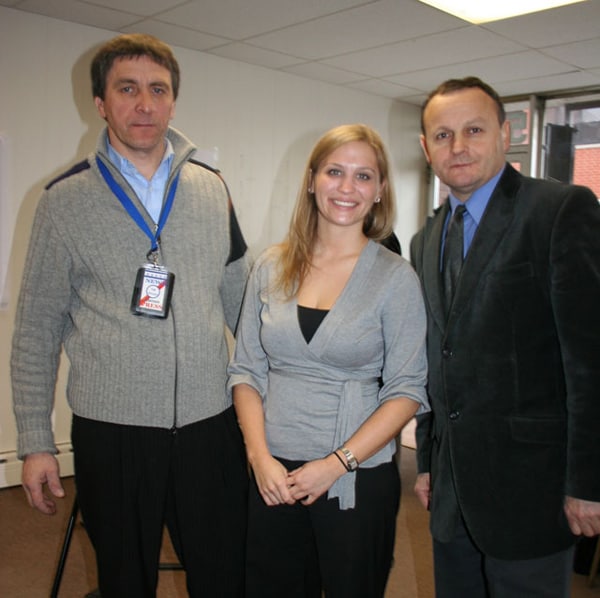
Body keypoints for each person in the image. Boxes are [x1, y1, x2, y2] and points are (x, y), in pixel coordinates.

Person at [11, 34, 250, 597]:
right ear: (101, 103)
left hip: (209, 427)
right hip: (112, 433)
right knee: (123, 581)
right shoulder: (62, 202)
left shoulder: (212, 189)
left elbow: (245, 302)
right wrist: (34, 440)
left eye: (157, 90)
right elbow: (35, 332)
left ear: (172, 101)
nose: (144, 104)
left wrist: (282, 399)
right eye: (127, 89)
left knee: (227, 573)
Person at [410, 76, 600, 597]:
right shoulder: (425, 239)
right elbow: (433, 358)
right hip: (453, 493)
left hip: (532, 490)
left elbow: (590, 362)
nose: (459, 146)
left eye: (474, 129)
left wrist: (589, 484)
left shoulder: (560, 210)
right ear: (426, 148)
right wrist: (427, 461)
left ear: (505, 132)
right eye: (443, 135)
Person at [227, 123, 429, 597]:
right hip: (274, 472)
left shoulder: (395, 279)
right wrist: (259, 458)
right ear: (312, 179)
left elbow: (407, 390)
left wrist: (337, 463)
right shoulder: (270, 267)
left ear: (379, 190)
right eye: (335, 171)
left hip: (355, 476)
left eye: (364, 176)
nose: (347, 187)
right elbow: (246, 372)